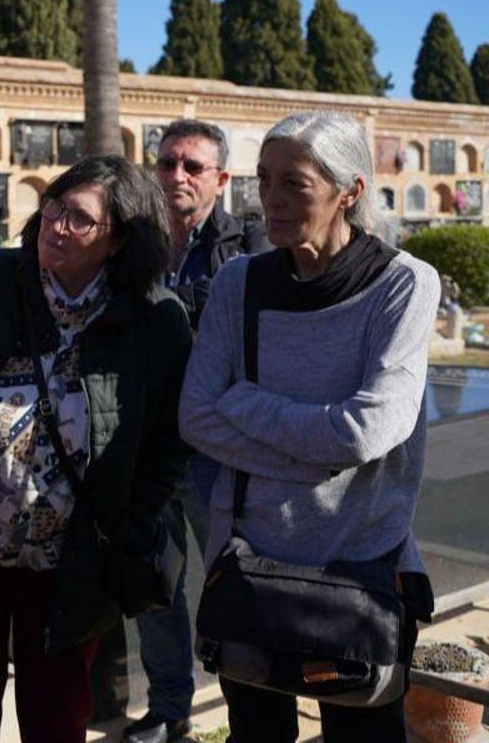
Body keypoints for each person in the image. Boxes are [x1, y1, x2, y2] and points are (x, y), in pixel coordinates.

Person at [0, 155, 192, 743]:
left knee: (56, 717)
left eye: (79, 218)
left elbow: (168, 442)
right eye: (53, 207)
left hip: (72, 560)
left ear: (120, 239)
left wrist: (129, 524)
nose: (56, 225)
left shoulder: (154, 319)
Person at [179, 111, 437, 742]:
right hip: (250, 567)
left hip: (358, 574)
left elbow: (364, 432)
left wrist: (245, 404)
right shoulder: (240, 283)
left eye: (293, 183)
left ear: (348, 190)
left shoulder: (401, 285)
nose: (271, 199)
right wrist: (317, 453)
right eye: (264, 180)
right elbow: (195, 415)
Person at [121, 120, 269, 743]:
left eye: (192, 166)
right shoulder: (136, 244)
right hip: (150, 449)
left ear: (222, 179)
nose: (176, 176)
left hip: (218, 452)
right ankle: (169, 708)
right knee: (157, 586)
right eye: (166, 164)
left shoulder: (249, 247)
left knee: (234, 589)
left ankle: (254, 715)